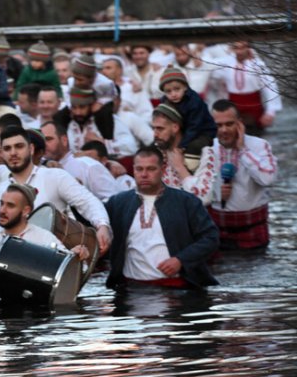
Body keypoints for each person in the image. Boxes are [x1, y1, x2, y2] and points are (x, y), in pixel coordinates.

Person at [0, 126, 112, 254]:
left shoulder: (54, 176)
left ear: (31, 149)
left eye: (19, 146)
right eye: (7, 148)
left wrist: (102, 226)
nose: (13, 153)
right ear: (2, 154)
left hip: (57, 265)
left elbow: (87, 202)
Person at [104, 147, 219, 289]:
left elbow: (210, 238)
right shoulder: (118, 203)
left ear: (163, 169)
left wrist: (180, 260)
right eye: (139, 169)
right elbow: (96, 228)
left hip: (178, 289)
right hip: (131, 289)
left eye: (151, 169)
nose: (144, 174)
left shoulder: (186, 202)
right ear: (133, 170)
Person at [0, 184, 88, 290]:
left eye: (10, 206)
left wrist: (77, 257)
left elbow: (74, 270)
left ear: (26, 211)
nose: (2, 210)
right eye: (1, 204)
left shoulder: (44, 238)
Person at [208, 100, 277, 250]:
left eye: (229, 124)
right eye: (219, 125)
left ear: (240, 124)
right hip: (217, 228)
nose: (224, 130)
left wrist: (243, 150)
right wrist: (215, 193)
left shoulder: (260, 145)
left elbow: (268, 178)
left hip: (253, 229)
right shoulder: (208, 148)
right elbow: (192, 189)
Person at [152, 104, 217, 206]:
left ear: (175, 127)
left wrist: (180, 168)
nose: (155, 134)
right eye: (154, 129)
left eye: (160, 129)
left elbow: (204, 198)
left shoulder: (204, 153)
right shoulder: (156, 154)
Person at [40, 122, 121, 202]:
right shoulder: (40, 169)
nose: (44, 145)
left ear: (64, 140)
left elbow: (113, 200)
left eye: (48, 139)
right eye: (41, 141)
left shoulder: (88, 165)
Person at [213, 41, 281, 133]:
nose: (239, 52)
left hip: (253, 107)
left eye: (242, 48)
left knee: (252, 132)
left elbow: (270, 86)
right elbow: (209, 67)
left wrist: (270, 112)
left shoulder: (257, 64)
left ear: (248, 48)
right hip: (233, 106)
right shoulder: (226, 62)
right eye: (236, 48)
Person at [56, 87, 137, 159]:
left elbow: (131, 147)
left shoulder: (109, 120)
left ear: (91, 106)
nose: (78, 112)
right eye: (74, 108)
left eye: (82, 107)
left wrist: (102, 143)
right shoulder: (67, 123)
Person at [157, 65, 218, 156]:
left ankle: (190, 168)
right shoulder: (165, 102)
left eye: (177, 89)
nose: (173, 94)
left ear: (185, 87)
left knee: (193, 148)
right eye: (168, 91)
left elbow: (194, 126)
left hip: (203, 132)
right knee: (160, 145)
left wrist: (182, 145)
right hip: (183, 131)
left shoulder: (194, 101)